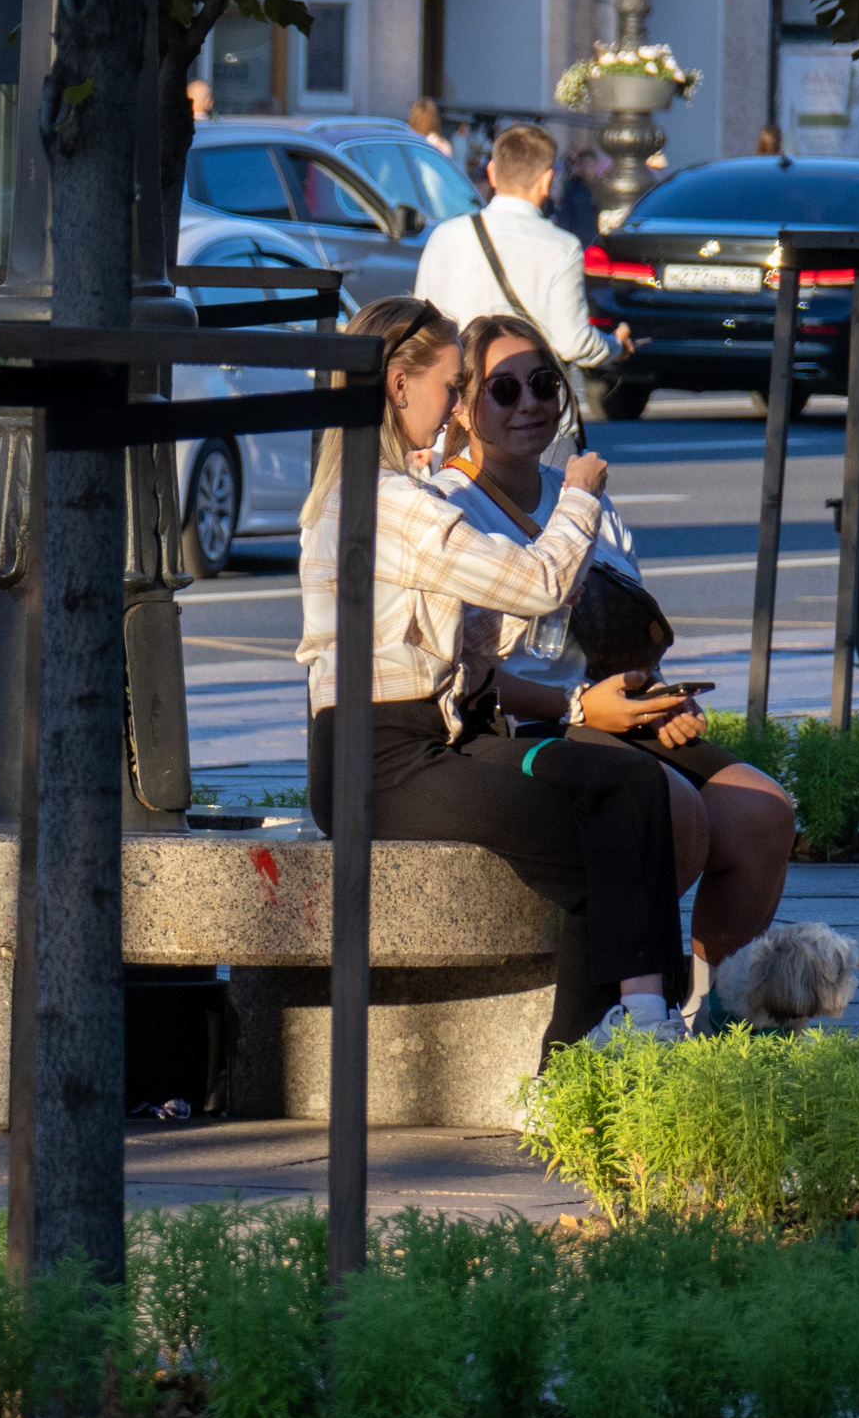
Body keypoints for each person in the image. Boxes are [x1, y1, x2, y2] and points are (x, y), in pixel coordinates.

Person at [296, 297, 688, 1052]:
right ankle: (611, 1044)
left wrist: (531, 638)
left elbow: (469, 638)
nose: (455, 411)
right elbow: (540, 583)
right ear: (398, 386)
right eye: (452, 387)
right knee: (601, 831)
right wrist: (579, 494)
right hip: (379, 758)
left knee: (626, 790)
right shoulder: (388, 504)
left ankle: (629, 1027)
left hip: (435, 736)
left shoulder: (389, 496)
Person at [435, 314, 796, 1010]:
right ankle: (635, 1014)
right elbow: (454, 672)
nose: (531, 403)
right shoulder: (449, 506)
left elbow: (618, 627)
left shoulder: (583, 492)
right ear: (461, 402)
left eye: (543, 383)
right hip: (523, 725)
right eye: (502, 389)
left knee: (761, 813)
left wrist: (657, 695)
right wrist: (579, 706)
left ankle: (713, 1016)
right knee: (676, 810)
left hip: (610, 713)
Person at [415, 124, 633, 385]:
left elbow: (423, 324)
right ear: (546, 181)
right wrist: (615, 346)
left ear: (492, 173)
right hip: (524, 397)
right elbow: (572, 342)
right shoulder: (561, 247)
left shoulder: (445, 235)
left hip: (459, 394)